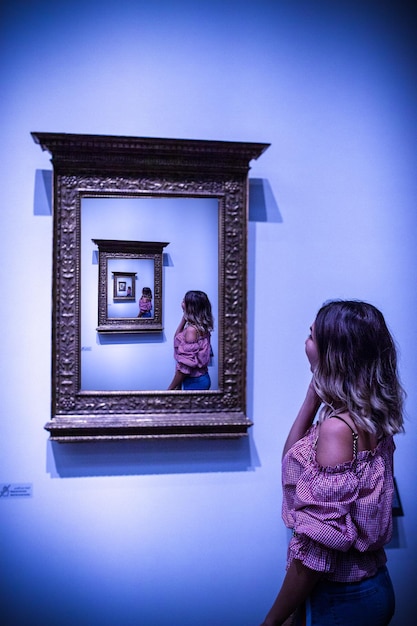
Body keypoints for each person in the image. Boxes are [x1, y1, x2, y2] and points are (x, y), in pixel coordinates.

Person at [260, 300, 405, 626]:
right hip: (374, 586)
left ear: (333, 351)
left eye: (311, 336)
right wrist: (314, 390)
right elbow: (291, 460)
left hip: (342, 600)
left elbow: (316, 552)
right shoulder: (369, 415)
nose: (305, 342)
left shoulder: (337, 430)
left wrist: (272, 620)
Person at [168, 290, 214, 390]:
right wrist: (185, 317)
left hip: (194, 382)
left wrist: (170, 389)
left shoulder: (191, 330)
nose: (181, 304)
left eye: (184, 301)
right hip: (201, 378)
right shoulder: (200, 327)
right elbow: (177, 337)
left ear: (191, 307)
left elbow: (185, 366)